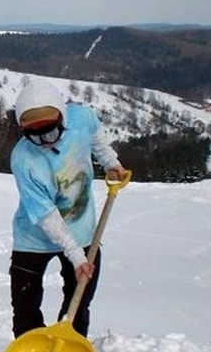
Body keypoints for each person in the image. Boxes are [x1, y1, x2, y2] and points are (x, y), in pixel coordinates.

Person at [9, 79, 127, 338]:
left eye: (51, 133)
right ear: (21, 129)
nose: (44, 142)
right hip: (34, 237)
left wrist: (110, 162)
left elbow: (96, 139)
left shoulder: (81, 118)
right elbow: (46, 215)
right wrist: (75, 256)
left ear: (63, 118)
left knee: (79, 300)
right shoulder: (22, 160)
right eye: (34, 135)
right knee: (24, 303)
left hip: (81, 231)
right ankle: (31, 347)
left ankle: (68, 340)